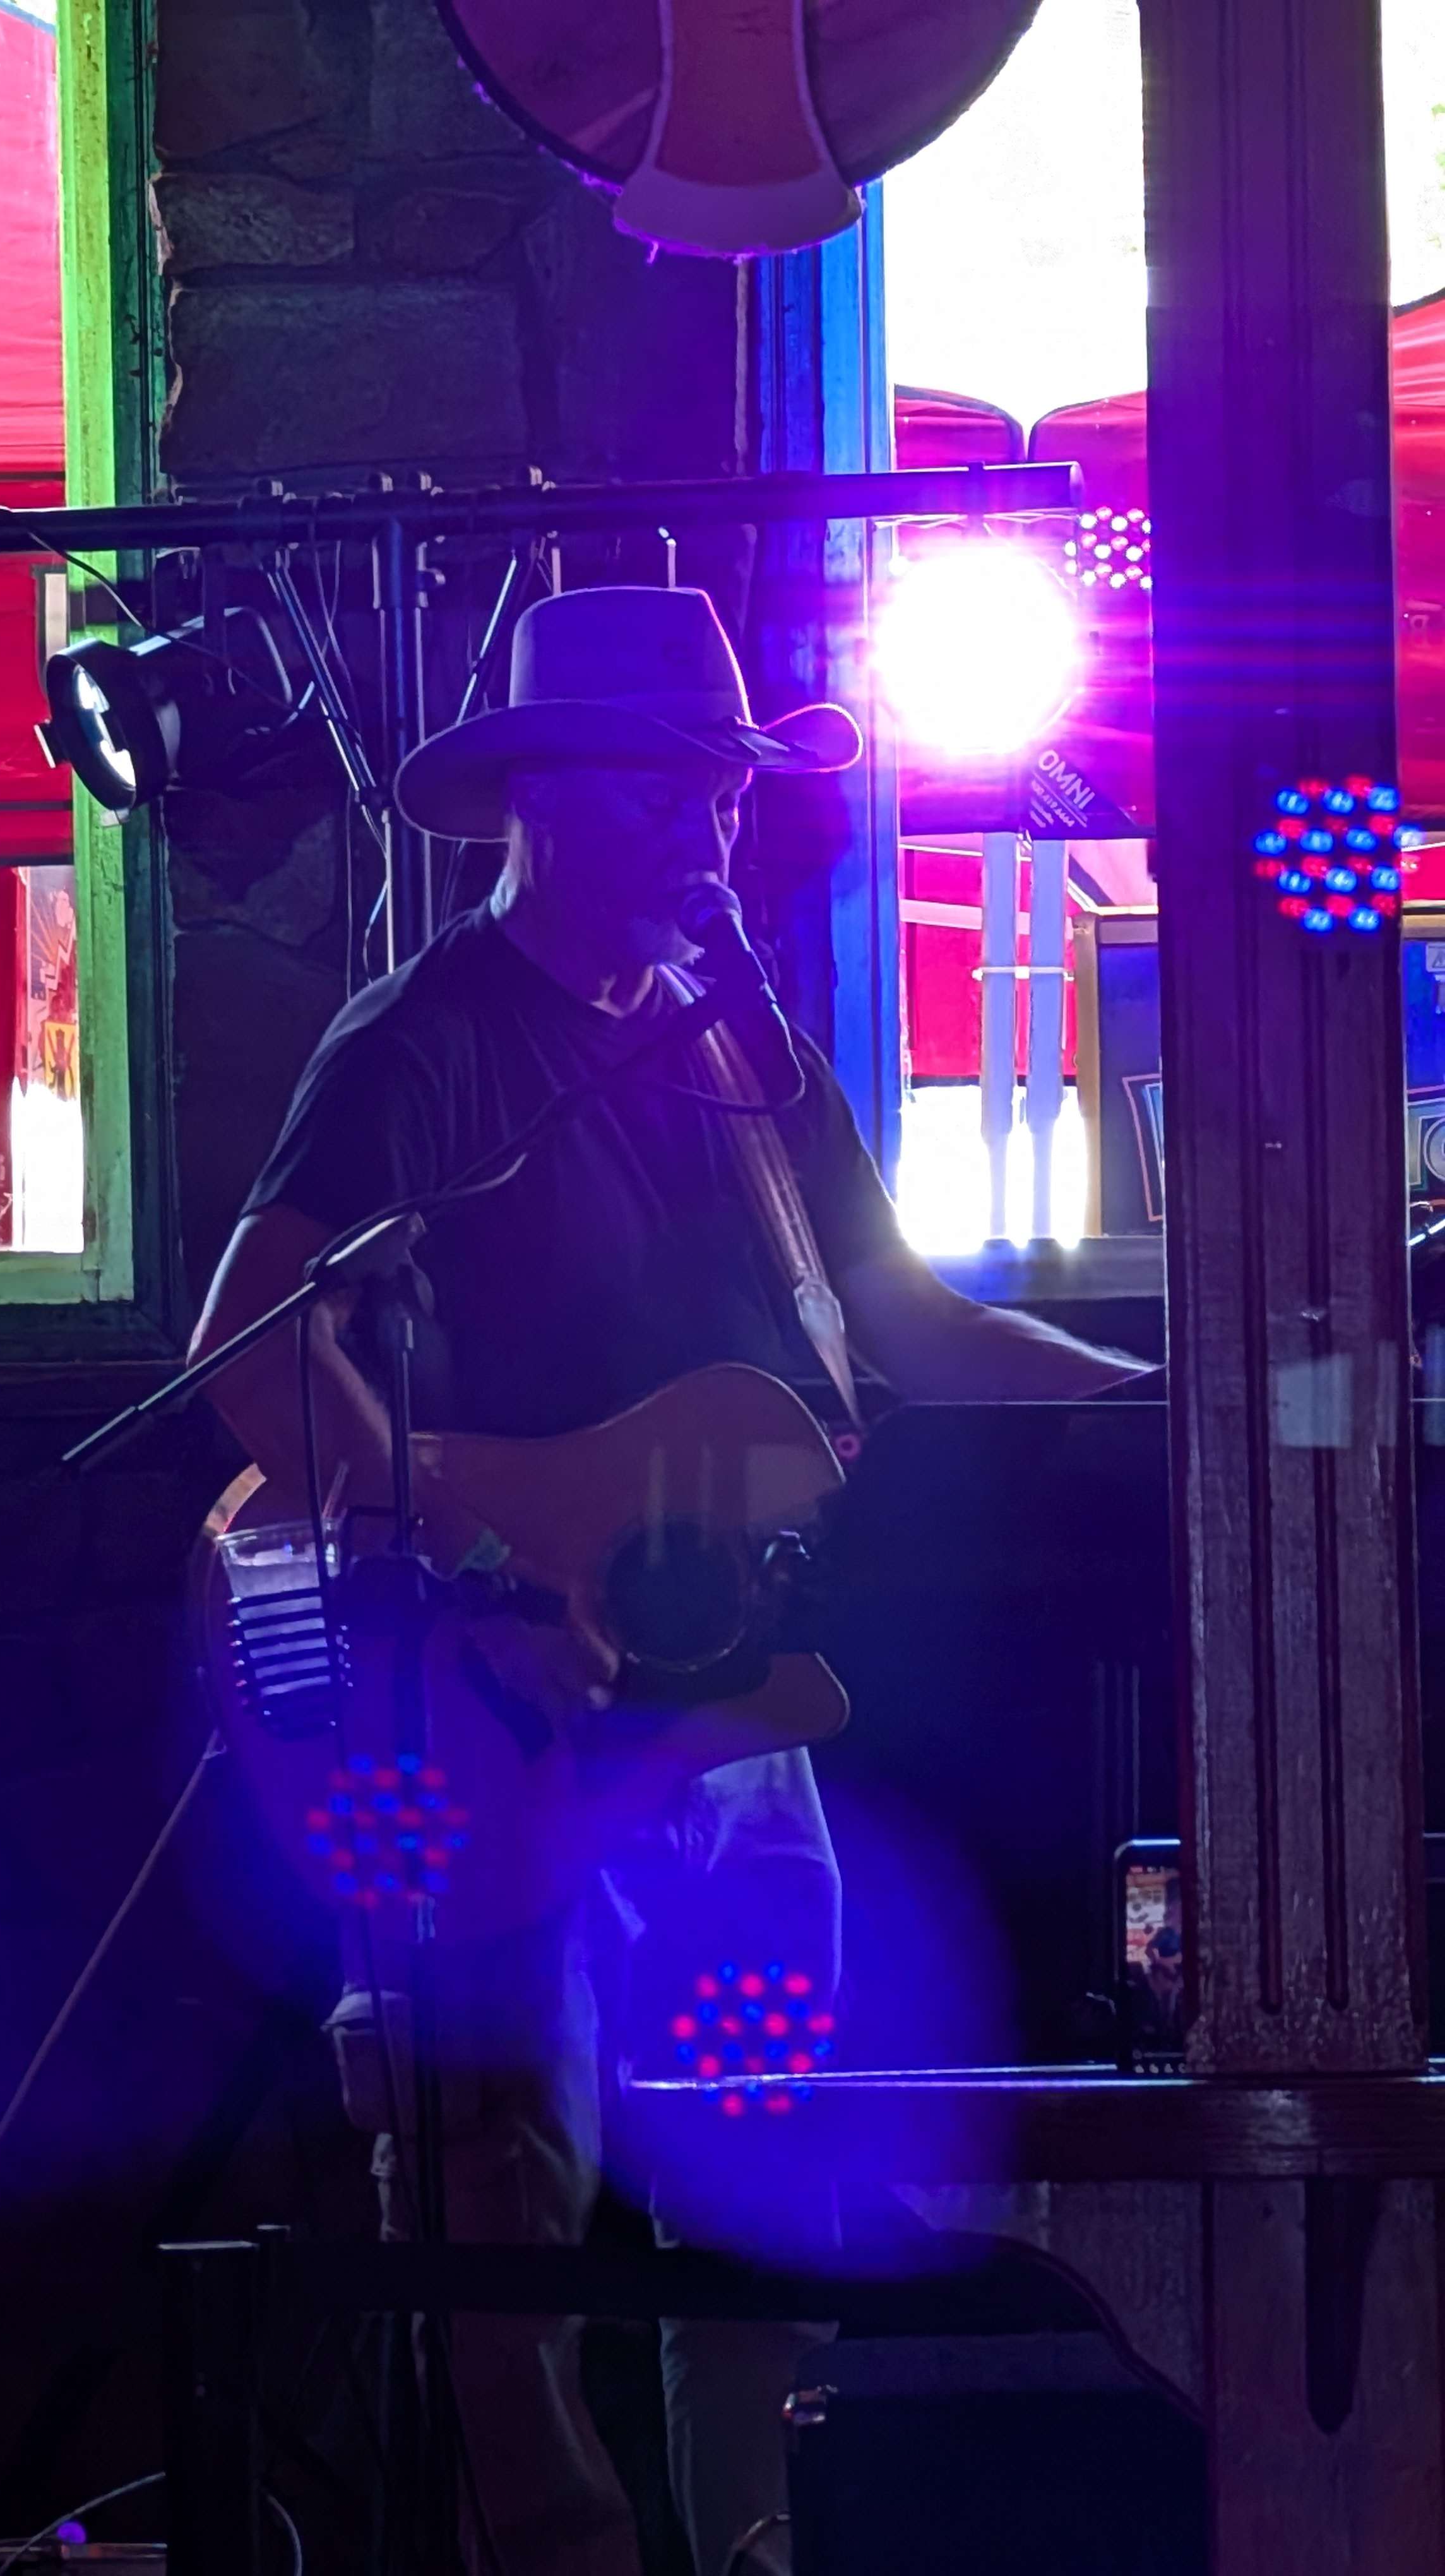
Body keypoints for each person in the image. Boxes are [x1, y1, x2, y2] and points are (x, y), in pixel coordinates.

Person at [189, 585, 1148, 2576]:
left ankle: (757, 2550)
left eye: (720, 796)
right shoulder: (431, 1039)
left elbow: (887, 1313)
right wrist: (469, 1540)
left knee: (773, 2154)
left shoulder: (749, 1041)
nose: (709, 837)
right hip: (510, 1695)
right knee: (494, 2179)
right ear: (537, 801)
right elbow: (254, 1336)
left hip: (730, 1693)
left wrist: (1169, 1386)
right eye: (661, 796)